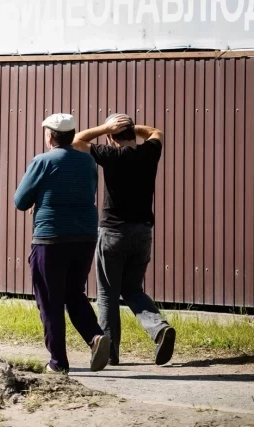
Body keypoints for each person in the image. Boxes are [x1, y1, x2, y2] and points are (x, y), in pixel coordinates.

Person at [14, 113, 115, 374]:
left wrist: (39, 198)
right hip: (84, 238)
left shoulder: (42, 161)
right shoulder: (87, 162)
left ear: (49, 136)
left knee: (50, 300)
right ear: (71, 135)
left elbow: (20, 201)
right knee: (74, 293)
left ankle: (58, 363)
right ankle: (95, 337)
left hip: (50, 239)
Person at [72, 114, 176, 366]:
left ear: (111, 137)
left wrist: (106, 127)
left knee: (107, 294)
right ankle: (160, 329)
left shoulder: (111, 155)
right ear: (132, 134)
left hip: (113, 233)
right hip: (143, 232)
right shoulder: (149, 152)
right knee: (132, 289)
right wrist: (130, 126)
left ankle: (110, 352)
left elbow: (76, 140)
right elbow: (156, 132)